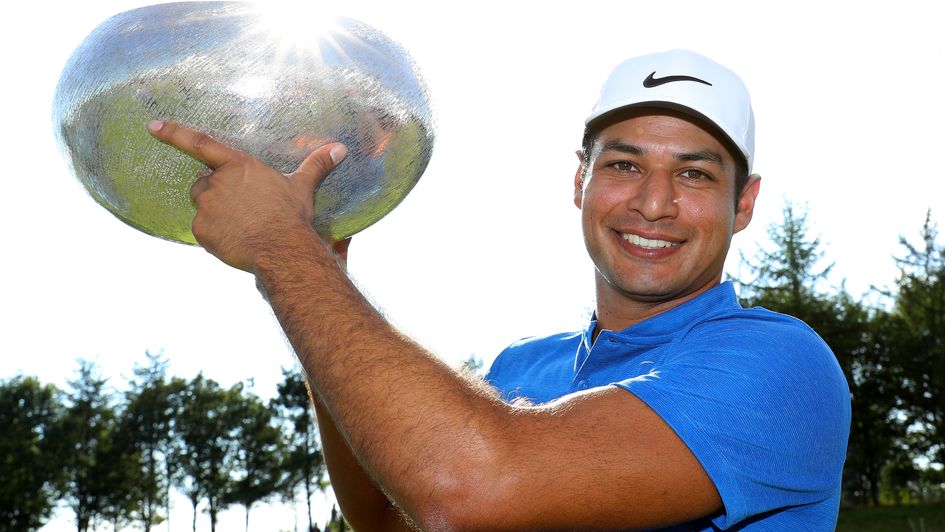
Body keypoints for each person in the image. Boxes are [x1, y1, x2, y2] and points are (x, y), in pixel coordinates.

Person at [148, 48, 851, 530]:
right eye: (625, 166)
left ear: (744, 204)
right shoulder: (521, 370)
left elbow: (467, 490)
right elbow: (396, 518)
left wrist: (283, 251)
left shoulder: (778, 365)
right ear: (579, 180)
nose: (654, 203)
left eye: (694, 174)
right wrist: (322, 264)